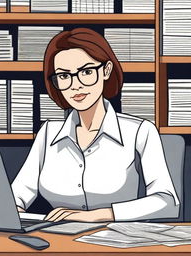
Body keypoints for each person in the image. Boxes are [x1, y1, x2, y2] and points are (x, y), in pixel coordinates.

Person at [12, 27, 180, 222]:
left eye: (86, 71)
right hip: (57, 241)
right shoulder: (48, 133)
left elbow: (167, 202)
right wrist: (12, 212)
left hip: (117, 242)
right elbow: (16, 196)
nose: (76, 85)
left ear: (106, 70)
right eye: (64, 76)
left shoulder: (139, 131)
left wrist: (99, 215)